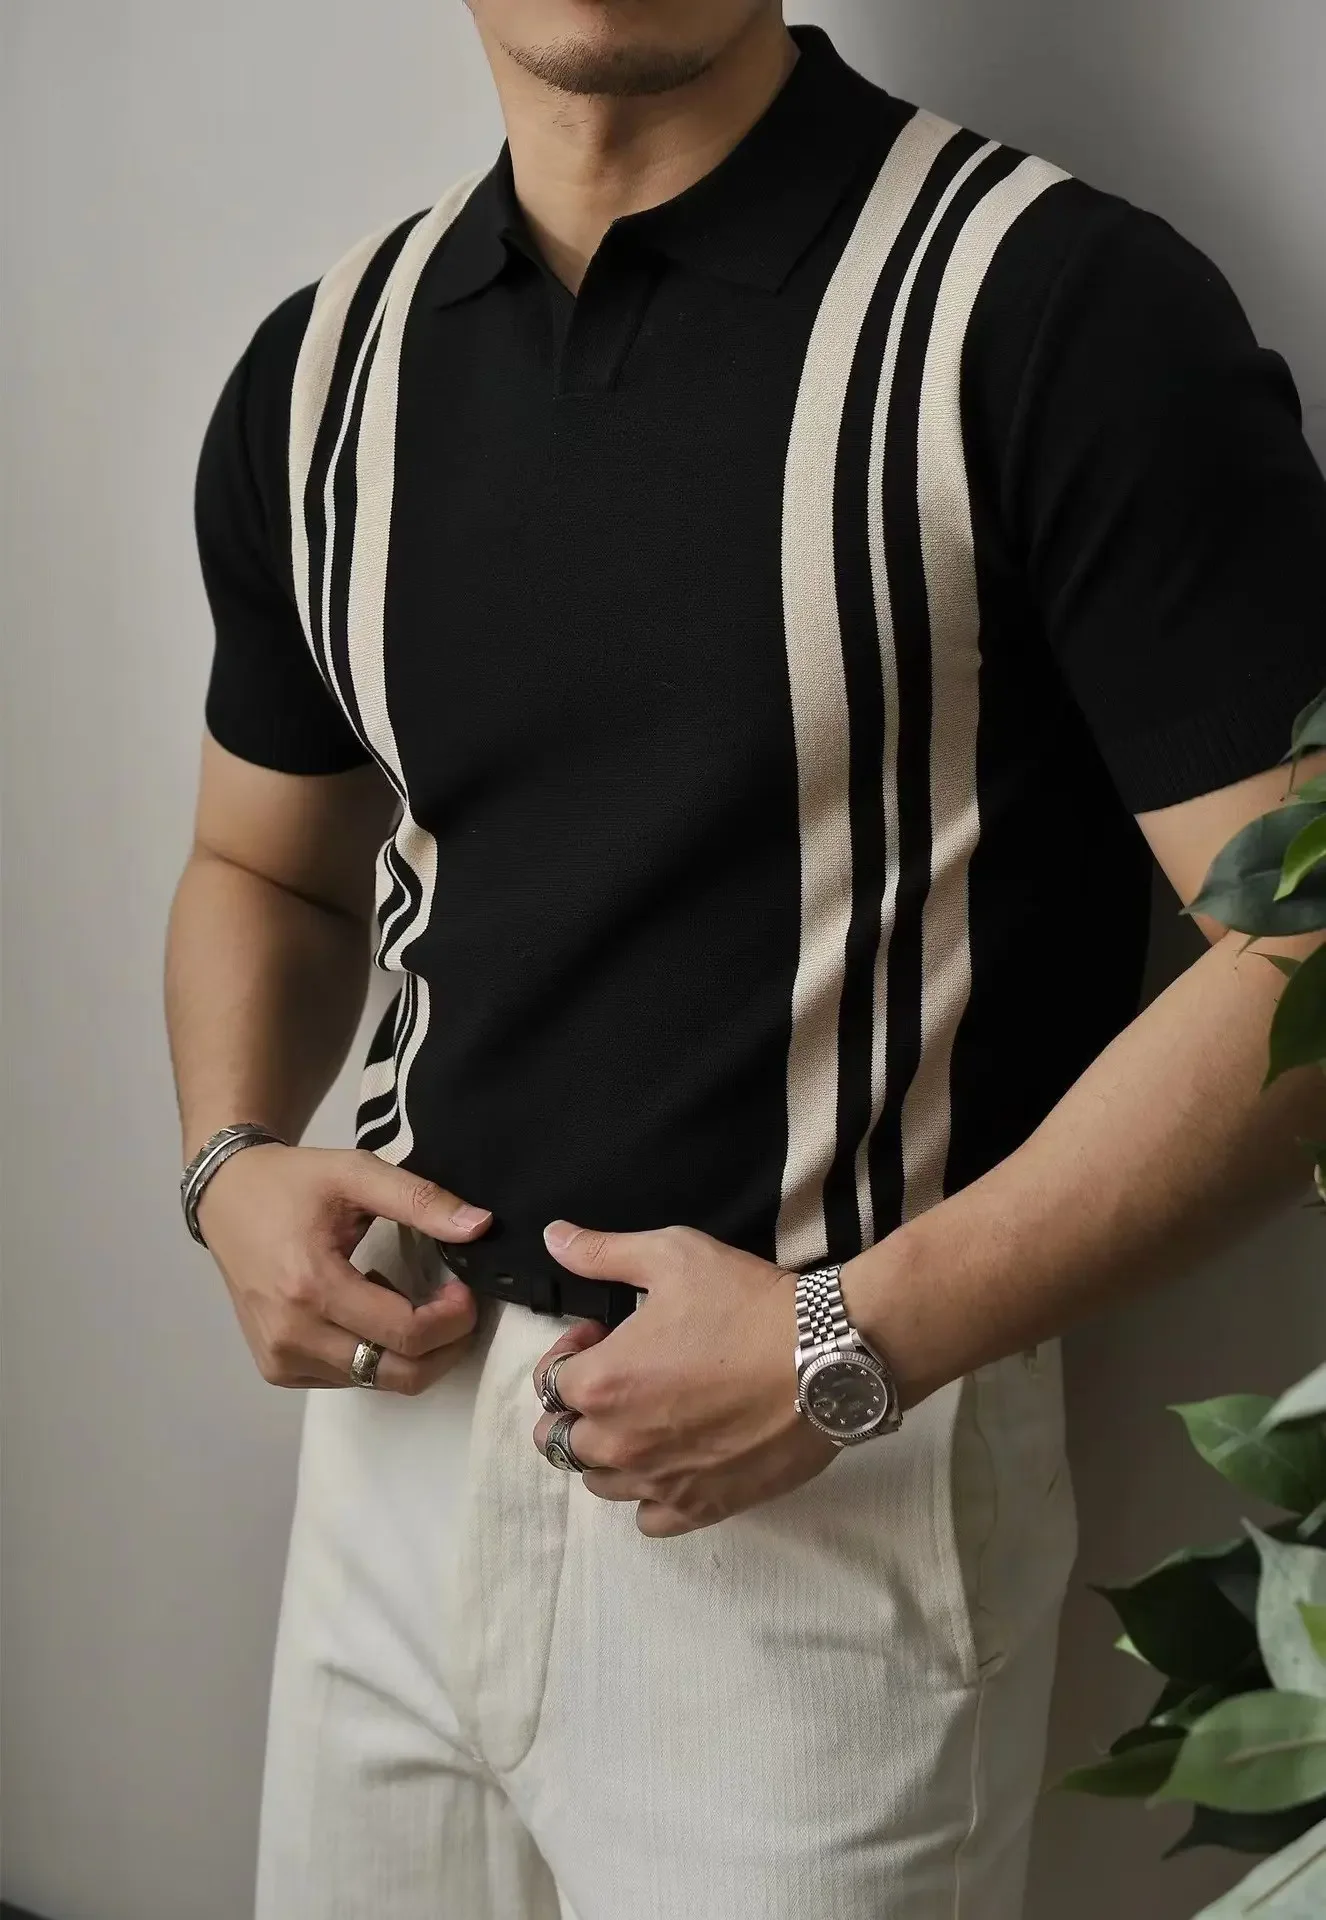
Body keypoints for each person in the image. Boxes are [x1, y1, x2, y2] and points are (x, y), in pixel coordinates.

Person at [165, 4, 1326, 1915]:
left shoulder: (1048, 306)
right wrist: (227, 1163)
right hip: (395, 1443)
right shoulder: (324, 368)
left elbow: (1306, 957)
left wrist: (848, 1344)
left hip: (832, 1489)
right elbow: (260, 868)